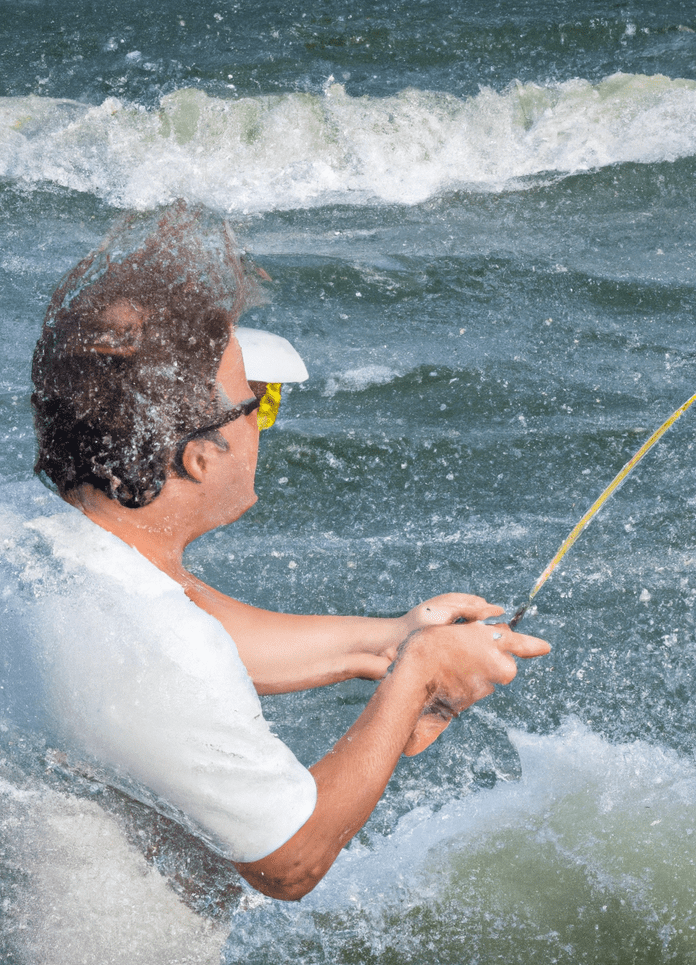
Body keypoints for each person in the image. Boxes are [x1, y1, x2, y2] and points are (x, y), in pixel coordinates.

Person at [20, 201, 549, 902]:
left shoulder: (33, 540)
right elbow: (290, 861)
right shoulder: (155, 655)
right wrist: (415, 681)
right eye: (258, 403)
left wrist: (389, 642)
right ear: (201, 456)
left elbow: (191, 615)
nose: (268, 421)